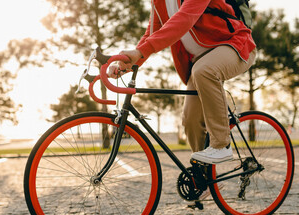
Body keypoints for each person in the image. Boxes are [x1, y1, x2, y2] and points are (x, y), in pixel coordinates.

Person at [108, 0, 256, 164]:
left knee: (205, 71)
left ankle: (221, 145)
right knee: (190, 120)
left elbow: (184, 19)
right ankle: (202, 181)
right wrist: (126, 64)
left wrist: (140, 51)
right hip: (200, 63)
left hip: (237, 45)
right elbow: (150, 35)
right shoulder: (159, 2)